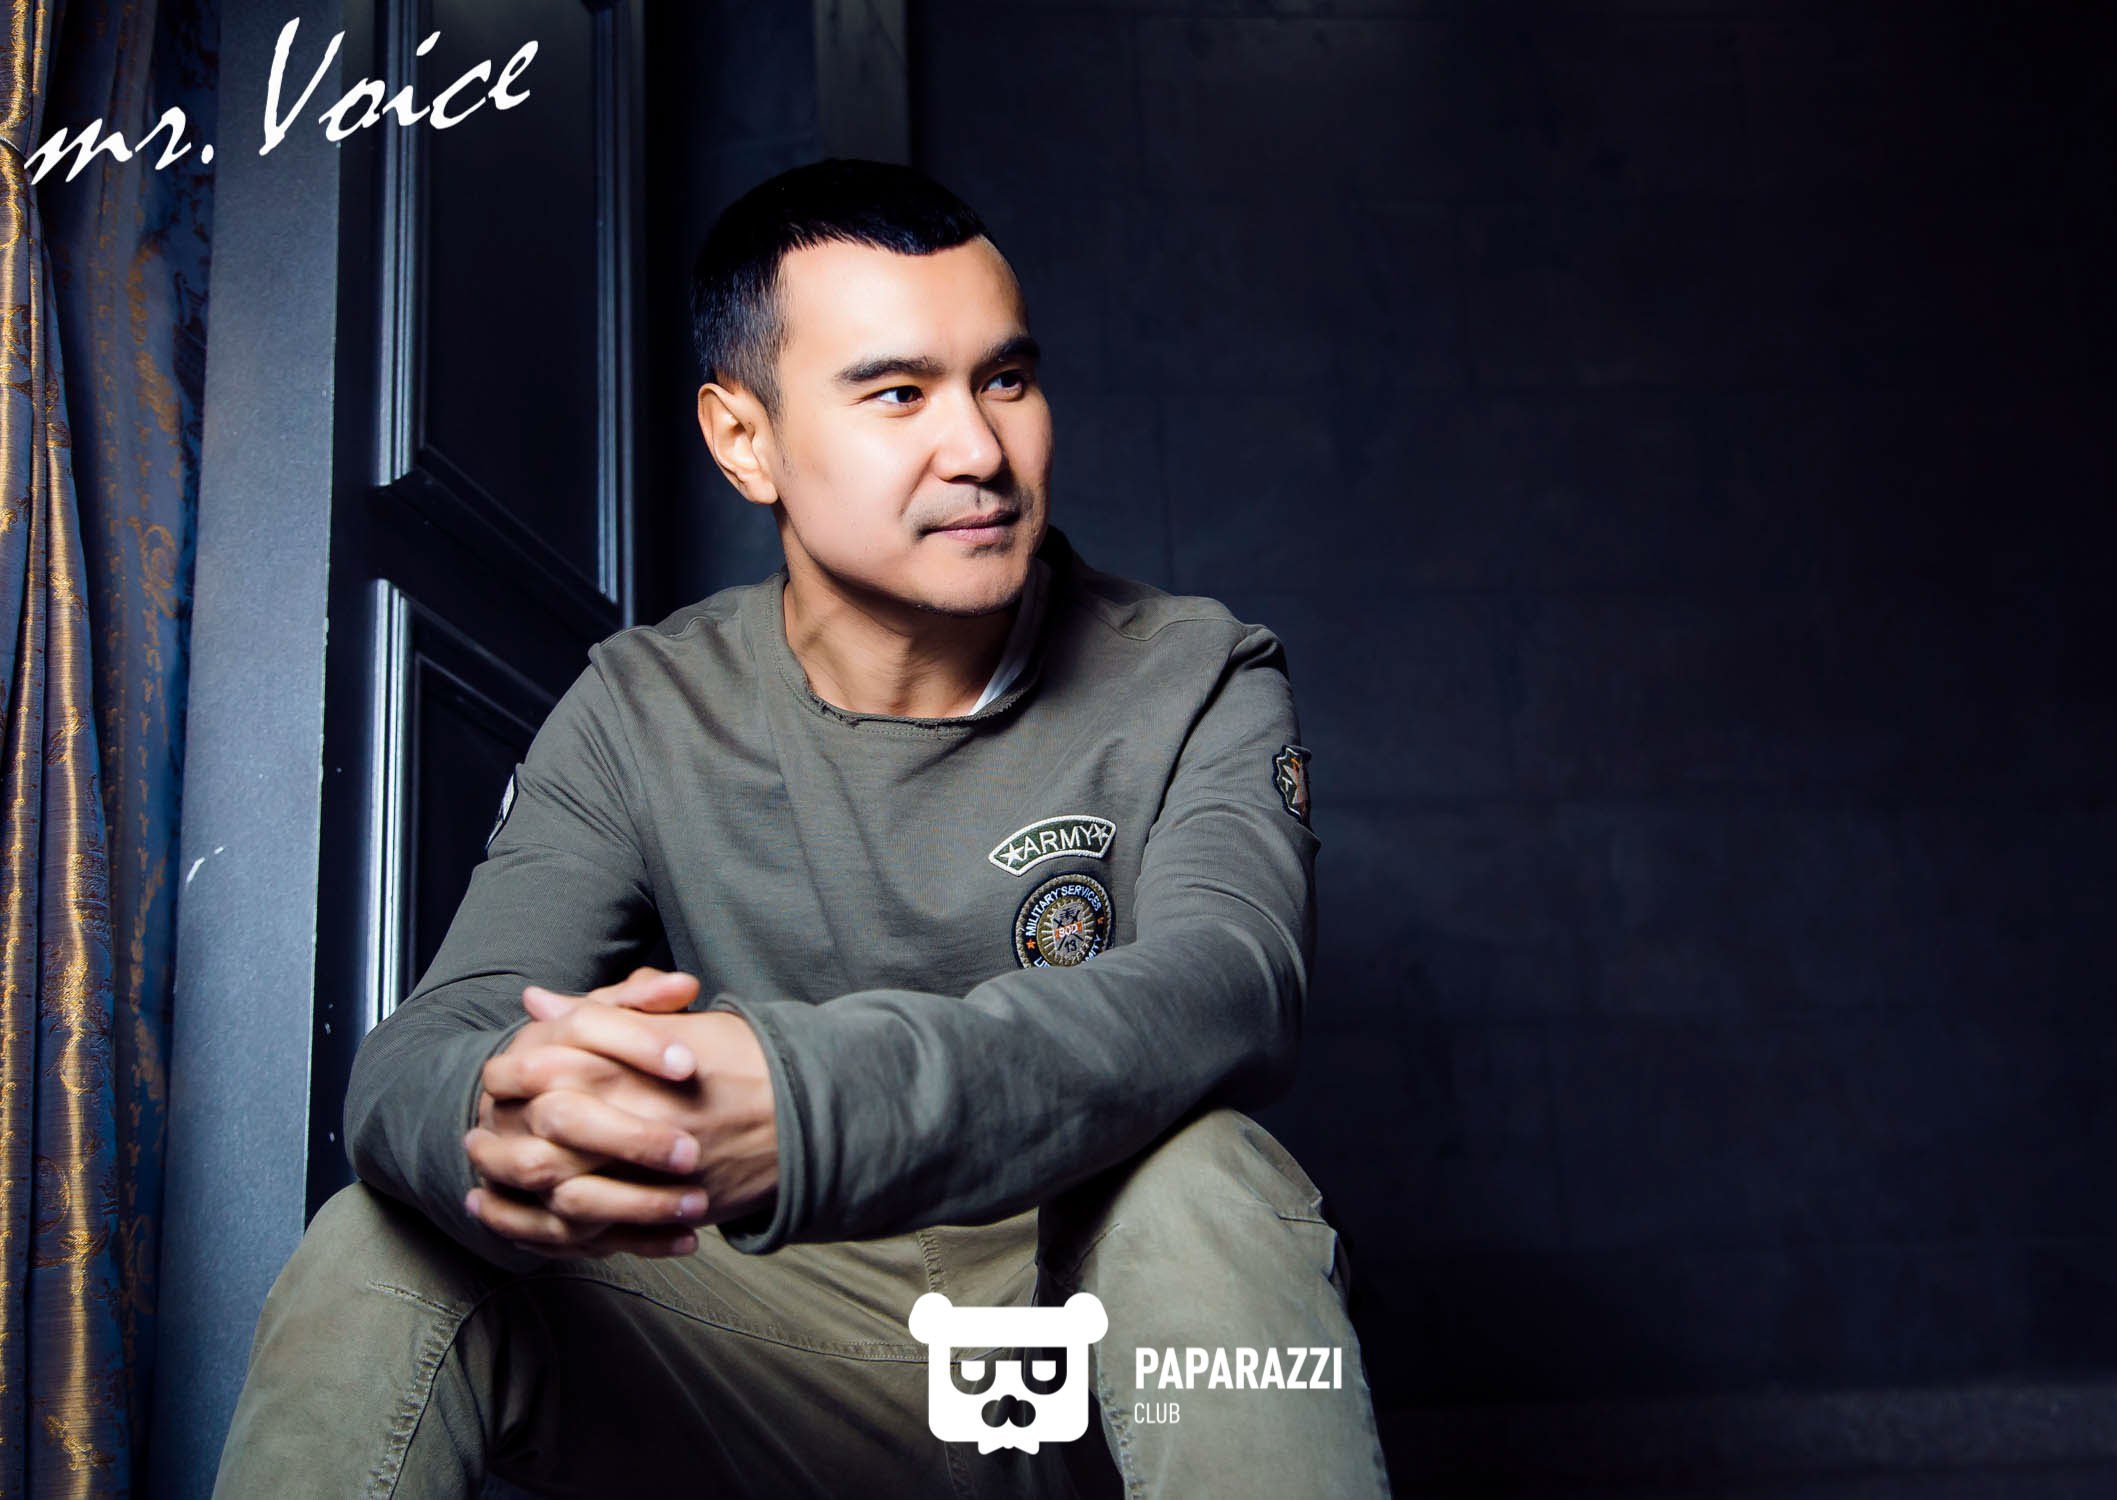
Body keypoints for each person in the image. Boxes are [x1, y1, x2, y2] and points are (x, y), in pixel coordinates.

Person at [213, 158, 1391, 1498]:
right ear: (744, 440)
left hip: (1087, 1319)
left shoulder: (1195, 674)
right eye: (898, 394)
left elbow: (1231, 984)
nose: (980, 450)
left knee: (1209, 1179)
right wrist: (515, 1116)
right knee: (387, 1238)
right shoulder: (644, 706)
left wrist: (806, 1107)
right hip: (768, 1339)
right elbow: (422, 1050)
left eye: (1005, 380)